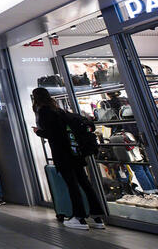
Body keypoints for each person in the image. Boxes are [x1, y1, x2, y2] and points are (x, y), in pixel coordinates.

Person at [32, 87, 105, 230]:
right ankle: (97, 217)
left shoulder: (44, 112)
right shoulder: (59, 110)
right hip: (75, 152)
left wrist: (38, 131)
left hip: (63, 153)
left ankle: (79, 218)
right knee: (84, 183)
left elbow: (53, 134)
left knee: (72, 185)